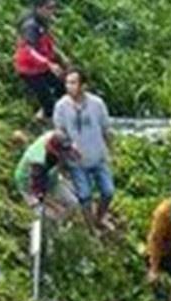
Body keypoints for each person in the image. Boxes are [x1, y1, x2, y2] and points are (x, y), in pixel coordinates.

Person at [51, 69, 114, 233]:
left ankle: (99, 217)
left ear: (83, 85)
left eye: (73, 83)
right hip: (76, 161)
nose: (69, 86)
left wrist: (111, 152)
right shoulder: (61, 106)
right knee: (84, 196)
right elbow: (59, 132)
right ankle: (90, 227)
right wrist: (64, 155)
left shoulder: (97, 104)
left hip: (98, 156)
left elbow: (106, 129)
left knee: (108, 192)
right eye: (67, 83)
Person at [13, 0, 67, 118]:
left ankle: (45, 114)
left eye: (54, 7)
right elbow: (29, 50)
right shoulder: (30, 26)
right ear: (39, 8)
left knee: (62, 87)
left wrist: (60, 55)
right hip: (28, 69)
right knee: (48, 102)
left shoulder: (42, 20)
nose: (53, 11)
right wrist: (49, 63)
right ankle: (46, 121)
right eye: (50, 8)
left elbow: (46, 41)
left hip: (42, 66)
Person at [13, 129, 74, 217]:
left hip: (50, 176)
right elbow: (38, 193)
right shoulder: (38, 164)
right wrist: (56, 207)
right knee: (53, 216)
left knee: (72, 203)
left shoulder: (53, 136)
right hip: (30, 185)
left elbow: (69, 150)